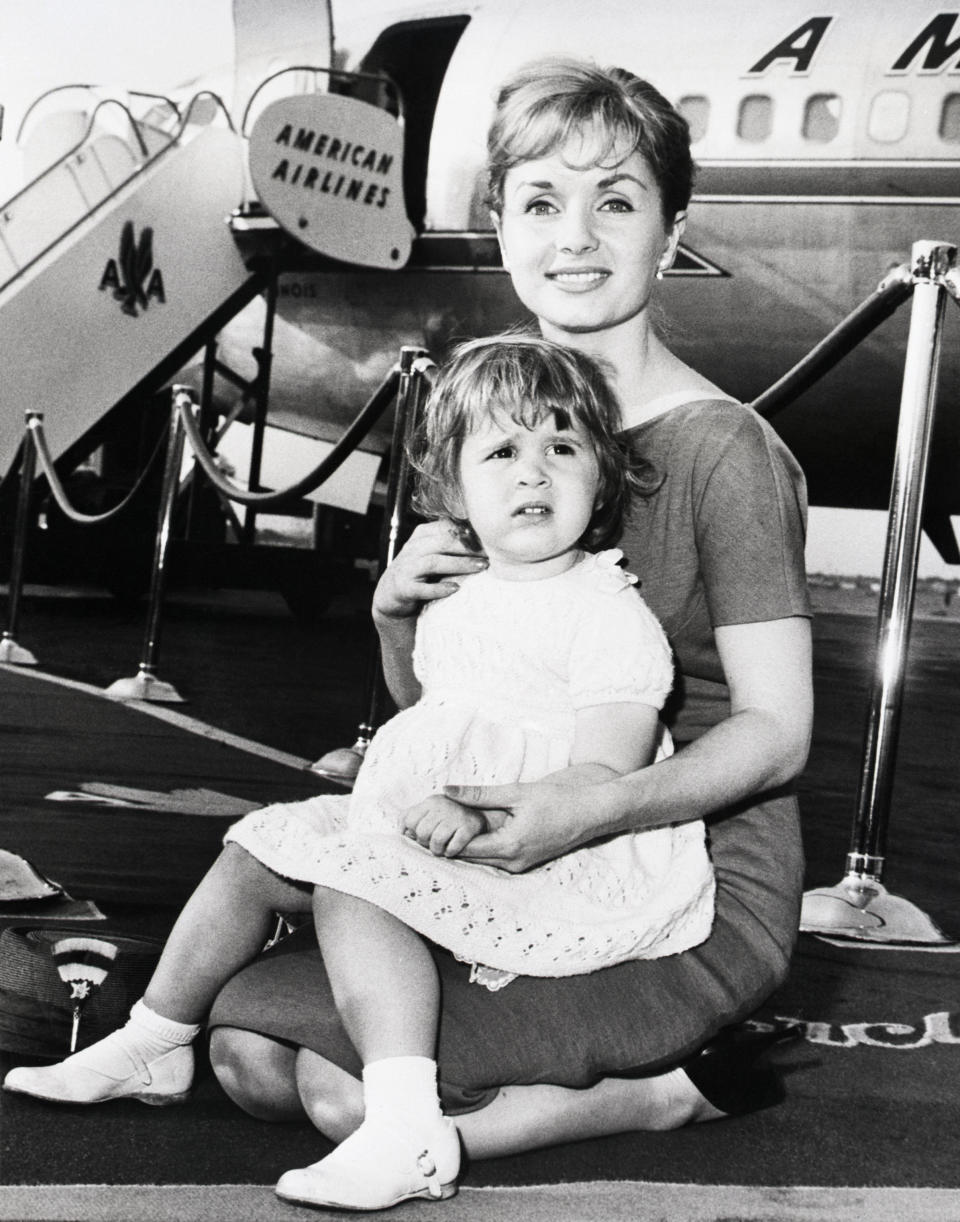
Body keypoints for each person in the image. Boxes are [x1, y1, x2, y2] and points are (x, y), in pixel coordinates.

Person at [198, 52, 813, 1180]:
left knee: (337, 1085)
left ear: (672, 232)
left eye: (616, 202)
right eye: (541, 202)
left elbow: (780, 730)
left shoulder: (724, 450)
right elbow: (461, 720)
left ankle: (665, 1091)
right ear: (500, 224)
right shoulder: (498, 432)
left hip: (682, 865)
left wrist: (593, 808)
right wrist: (394, 618)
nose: (575, 237)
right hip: (513, 833)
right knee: (242, 1044)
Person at [3, 334, 715, 1212]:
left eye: (561, 449)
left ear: (601, 479)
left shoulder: (607, 612)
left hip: (564, 855)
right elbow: (435, 707)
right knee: (256, 850)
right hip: (446, 828)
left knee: (351, 882)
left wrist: (475, 810)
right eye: (503, 451)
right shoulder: (470, 590)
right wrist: (398, 632)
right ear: (451, 492)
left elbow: (603, 774)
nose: (535, 474)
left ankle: (408, 1126)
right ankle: (155, 1037)